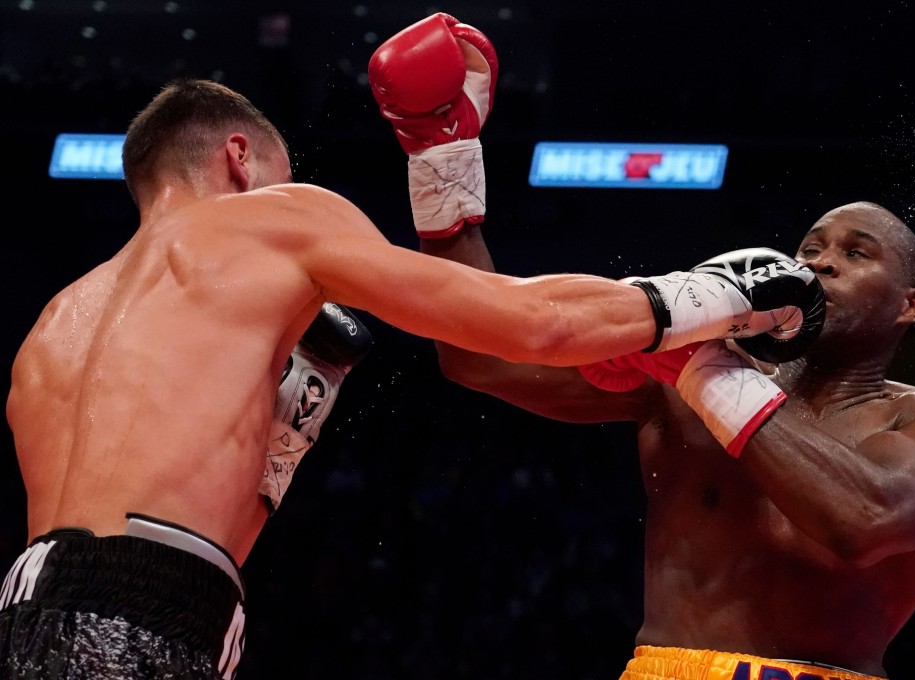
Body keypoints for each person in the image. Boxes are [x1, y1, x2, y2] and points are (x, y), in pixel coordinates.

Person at [0, 73, 816, 679]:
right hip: (149, 614)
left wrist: (294, 420)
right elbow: (532, 325)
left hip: (34, 614)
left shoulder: (56, 321)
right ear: (240, 158)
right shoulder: (271, 219)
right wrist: (715, 294)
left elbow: (197, 533)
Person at [369, 13, 915, 680]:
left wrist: (703, 369)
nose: (821, 263)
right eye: (809, 249)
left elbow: (863, 518)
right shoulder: (677, 382)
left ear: (910, 304)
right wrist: (442, 161)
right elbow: (480, 356)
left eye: (855, 253)